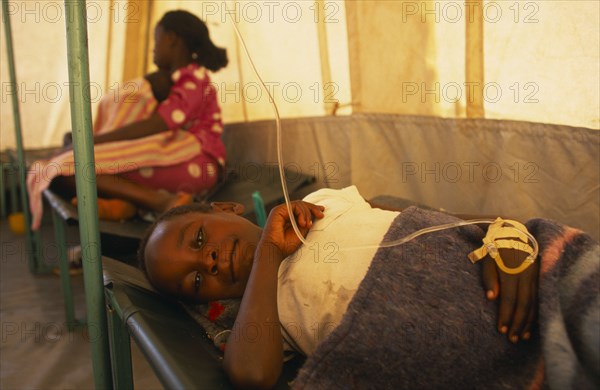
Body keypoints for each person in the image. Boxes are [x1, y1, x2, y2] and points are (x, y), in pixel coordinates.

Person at [138, 186, 541, 388]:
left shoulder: (321, 202)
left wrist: (508, 232)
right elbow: (251, 376)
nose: (206, 260)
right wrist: (267, 254)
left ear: (226, 208)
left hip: (504, 283)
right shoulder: (263, 316)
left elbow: (438, 223)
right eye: (195, 280)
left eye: (198, 240)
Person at [27, 10, 228, 230]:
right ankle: (130, 204)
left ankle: (160, 201)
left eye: (156, 40)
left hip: (198, 164)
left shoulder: (194, 77)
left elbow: (160, 123)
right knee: (68, 169)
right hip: (182, 160)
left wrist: (94, 141)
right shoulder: (176, 79)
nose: (153, 48)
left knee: (69, 170)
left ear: (171, 39)